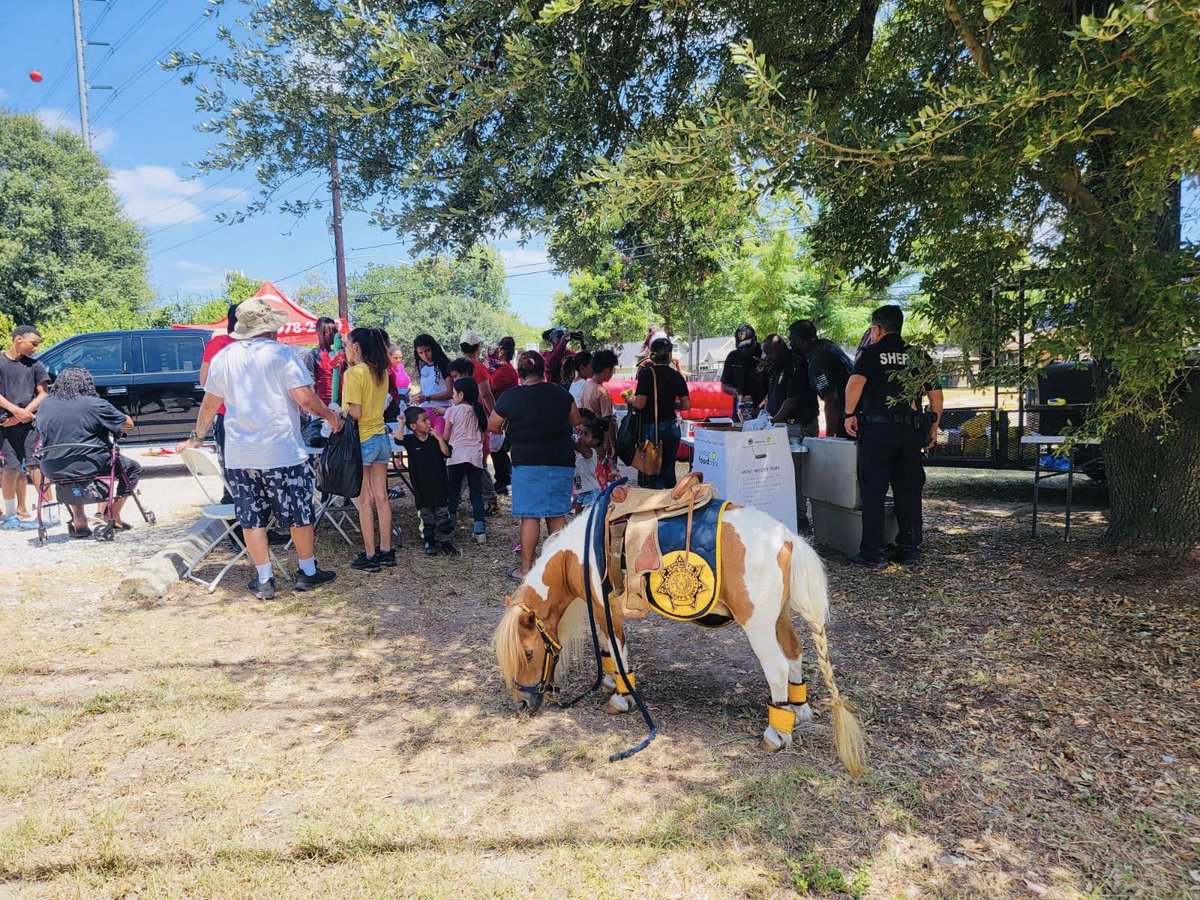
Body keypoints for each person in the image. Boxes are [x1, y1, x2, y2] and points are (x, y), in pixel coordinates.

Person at [176, 297, 343, 599]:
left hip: (242, 454)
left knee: (251, 517)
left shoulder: (224, 358)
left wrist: (196, 436)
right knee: (299, 513)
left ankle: (264, 578)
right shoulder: (282, 355)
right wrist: (331, 416)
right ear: (270, 328)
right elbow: (305, 399)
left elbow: (210, 405)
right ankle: (307, 571)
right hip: (282, 450)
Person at [843, 304, 943, 568]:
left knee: (874, 491)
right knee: (909, 490)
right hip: (910, 431)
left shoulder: (871, 353)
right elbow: (935, 394)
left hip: (877, 431)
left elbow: (855, 383)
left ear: (876, 329)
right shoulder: (918, 355)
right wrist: (933, 425)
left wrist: (848, 414)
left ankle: (873, 552)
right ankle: (909, 549)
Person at [489, 350, 581, 581]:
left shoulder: (510, 397)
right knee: (557, 515)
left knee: (529, 517)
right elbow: (576, 420)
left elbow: (493, 425)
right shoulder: (560, 393)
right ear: (544, 371)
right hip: (560, 461)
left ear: (520, 374)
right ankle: (559, 572)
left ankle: (526, 570)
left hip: (527, 462)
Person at [35, 367, 141, 538]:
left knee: (71, 466)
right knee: (133, 468)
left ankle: (79, 520)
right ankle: (112, 514)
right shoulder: (94, 403)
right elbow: (128, 423)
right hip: (90, 464)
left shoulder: (45, 404)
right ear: (87, 384)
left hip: (52, 466)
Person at [343, 327, 395, 573]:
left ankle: (370, 554)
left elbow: (355, 412)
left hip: (362, 440)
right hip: (381, 438)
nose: (345, 351)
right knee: (382, 498)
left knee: (364, 501)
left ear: (356, 348)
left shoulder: (354, 373)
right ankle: (387, 551)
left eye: (346, 346)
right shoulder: (382, 372)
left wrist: (338, 412)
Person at [0, 326, 48, 530]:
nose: (35, 349)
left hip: (29, 424)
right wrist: (13, 411)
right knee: (10, 467)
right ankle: (11, 515)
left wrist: (23, 414)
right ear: (18, 339)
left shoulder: (35, 365)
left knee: (35, 465)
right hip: (4, 424)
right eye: (33, 344)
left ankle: (47, 510)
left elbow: (43, 393)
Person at [630, 337, 691, 489]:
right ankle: (670, 503)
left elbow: (640, 403)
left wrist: (629, 401)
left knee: (652, 472)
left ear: (652, 354)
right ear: (669, 355)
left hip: (652, 428)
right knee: (668, 471)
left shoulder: (647, 374)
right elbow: (686, 405)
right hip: (672, 427)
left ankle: (654, 504)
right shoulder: (677, 376)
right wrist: (670, 403)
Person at [402, 406, 457, 556]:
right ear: (413, 426)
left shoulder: (434, 439)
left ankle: (446, 540)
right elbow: (398, 439)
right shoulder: (411, 441)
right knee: (427, 516)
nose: (428, 422)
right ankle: (429, 539)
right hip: (422, 486)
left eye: (428, 419)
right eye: (424, 420)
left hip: (439, 484)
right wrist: (401, 423)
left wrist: (439, 438)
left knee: (442, 514)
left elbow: (447, 453)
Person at [788, 319, 854, 438]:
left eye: (792, 340)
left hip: (848, 418)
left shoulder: (819, 360)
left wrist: (829, 437)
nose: (790, 345)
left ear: (801, 341)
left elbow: (831, 399)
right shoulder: (826, 345)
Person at [450, 357, 499, 515]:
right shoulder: (469, 393)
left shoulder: (469, 394)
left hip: (475, 442)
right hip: (473, 443)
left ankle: (489, 500)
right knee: (475, 470)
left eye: (456, 376)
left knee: (478, 471)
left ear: (465, 374)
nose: (454, 380)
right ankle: (487, 500)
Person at [443, 376, 488, 544]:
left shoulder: (452, 411)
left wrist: (442, 444)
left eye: (453, 393)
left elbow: (447, 435)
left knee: (453, 492)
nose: (452, 396)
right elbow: (482, 438)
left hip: (456, 455)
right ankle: (479, 531)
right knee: (476, 494)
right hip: (475, 456)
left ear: (460, 395)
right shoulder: (478, 411)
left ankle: (450, 525)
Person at [762, 334, 819, 433]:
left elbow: (792, 400)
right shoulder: (774, 367)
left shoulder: (797, 364)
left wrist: (772, 422)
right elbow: (771, 395)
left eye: (770, 353)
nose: (768, 357)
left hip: (799, 425)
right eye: (766, 353)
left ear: (780, 349)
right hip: (779, 425)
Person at [579, 348, 618, 480]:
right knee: (603, 476)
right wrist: (613, 446)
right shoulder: (602, 392)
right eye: (612, 370)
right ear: (607, 370)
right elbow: (608, 422)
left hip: (588, 438)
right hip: (600, 440)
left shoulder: (587, 387)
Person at [487, 338, 518, 496]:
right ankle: (503, 479)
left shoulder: (505, 370)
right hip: (501, 411)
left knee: (498, 448)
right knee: (497, 449)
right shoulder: (500, 368)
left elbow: (490, 386)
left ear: (502, 351)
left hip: (504, 413)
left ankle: (504, 479)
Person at [720, 324, 766, 423]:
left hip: (763, 412)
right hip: (740, 411)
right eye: (741, 347)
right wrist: (735, 391)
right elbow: (724, 385)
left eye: (747, 346)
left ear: (755, 339)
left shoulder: (765, 355)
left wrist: (759, 408)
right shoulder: (733, 357)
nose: (744, 349)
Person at [412, 334, 453, 435]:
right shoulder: (423, 369)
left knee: (441, 443)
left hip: (442, 410)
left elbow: (450, 392)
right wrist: (417, 396)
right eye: (420, 353)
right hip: (425, 413)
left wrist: (427, 397)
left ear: (434, 348)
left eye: (427, 351)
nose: (424, 356)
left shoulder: (444, 365)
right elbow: (426, 390)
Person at [302, 316, 346, 407]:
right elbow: (310, 384)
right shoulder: (313, 355)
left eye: (334, 331)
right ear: (320, 334)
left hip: (343, 404)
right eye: (328, 333)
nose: (332, 335)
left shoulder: (343, 352)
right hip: (322, 406)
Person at [572, 415, 606, 509]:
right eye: (581, 433)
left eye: (586, 434)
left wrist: (565, 438)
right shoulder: (580, 455)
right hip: (581, 492)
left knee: (588, 519)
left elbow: (577, 447)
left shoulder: (590, 452)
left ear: (595, 441)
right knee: (579, 518)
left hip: (591, 492)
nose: (581, 436)